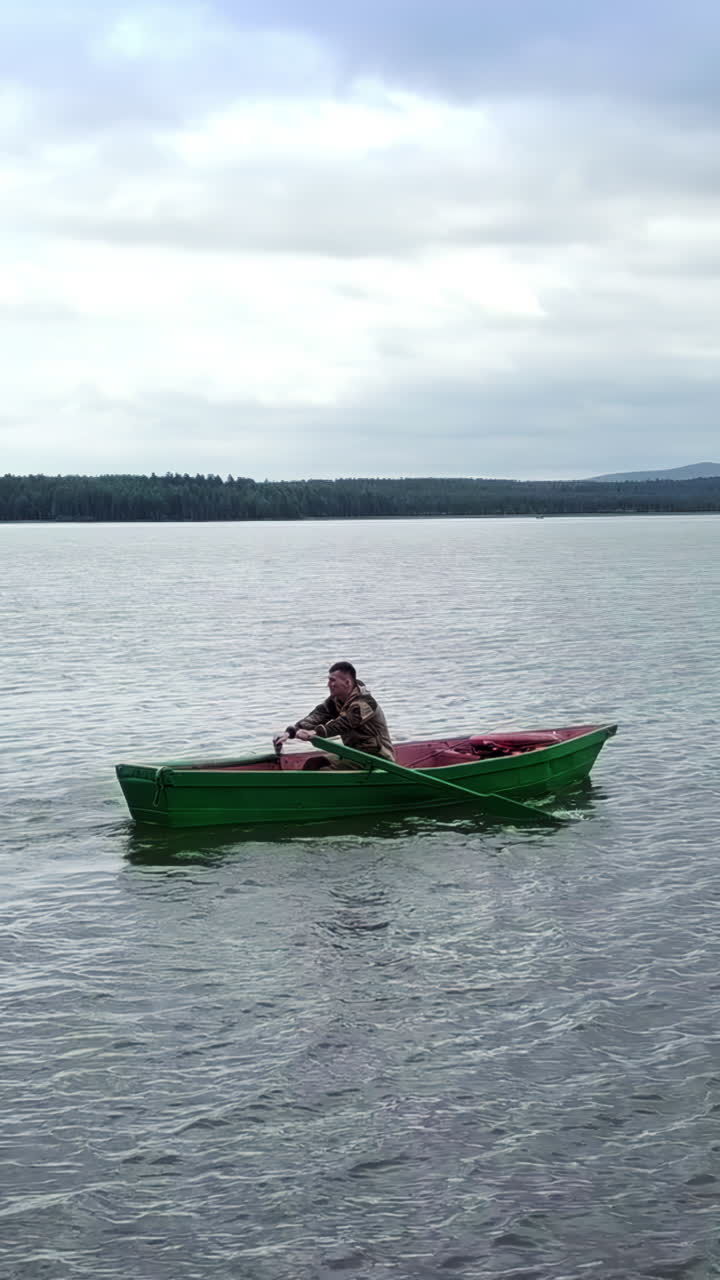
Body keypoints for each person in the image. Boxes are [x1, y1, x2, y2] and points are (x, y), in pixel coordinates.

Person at [274, 662, 395, 768]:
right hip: (353, 754)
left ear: (347, 682)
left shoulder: (365, 703)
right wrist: (291, 732)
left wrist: (315, 733)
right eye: (329, 680)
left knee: (324, 773)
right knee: (313, 764)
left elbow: (343, 724)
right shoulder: (336, 700)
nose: (328, 684)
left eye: (333, 680)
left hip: (376, 757)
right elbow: (316, 717)